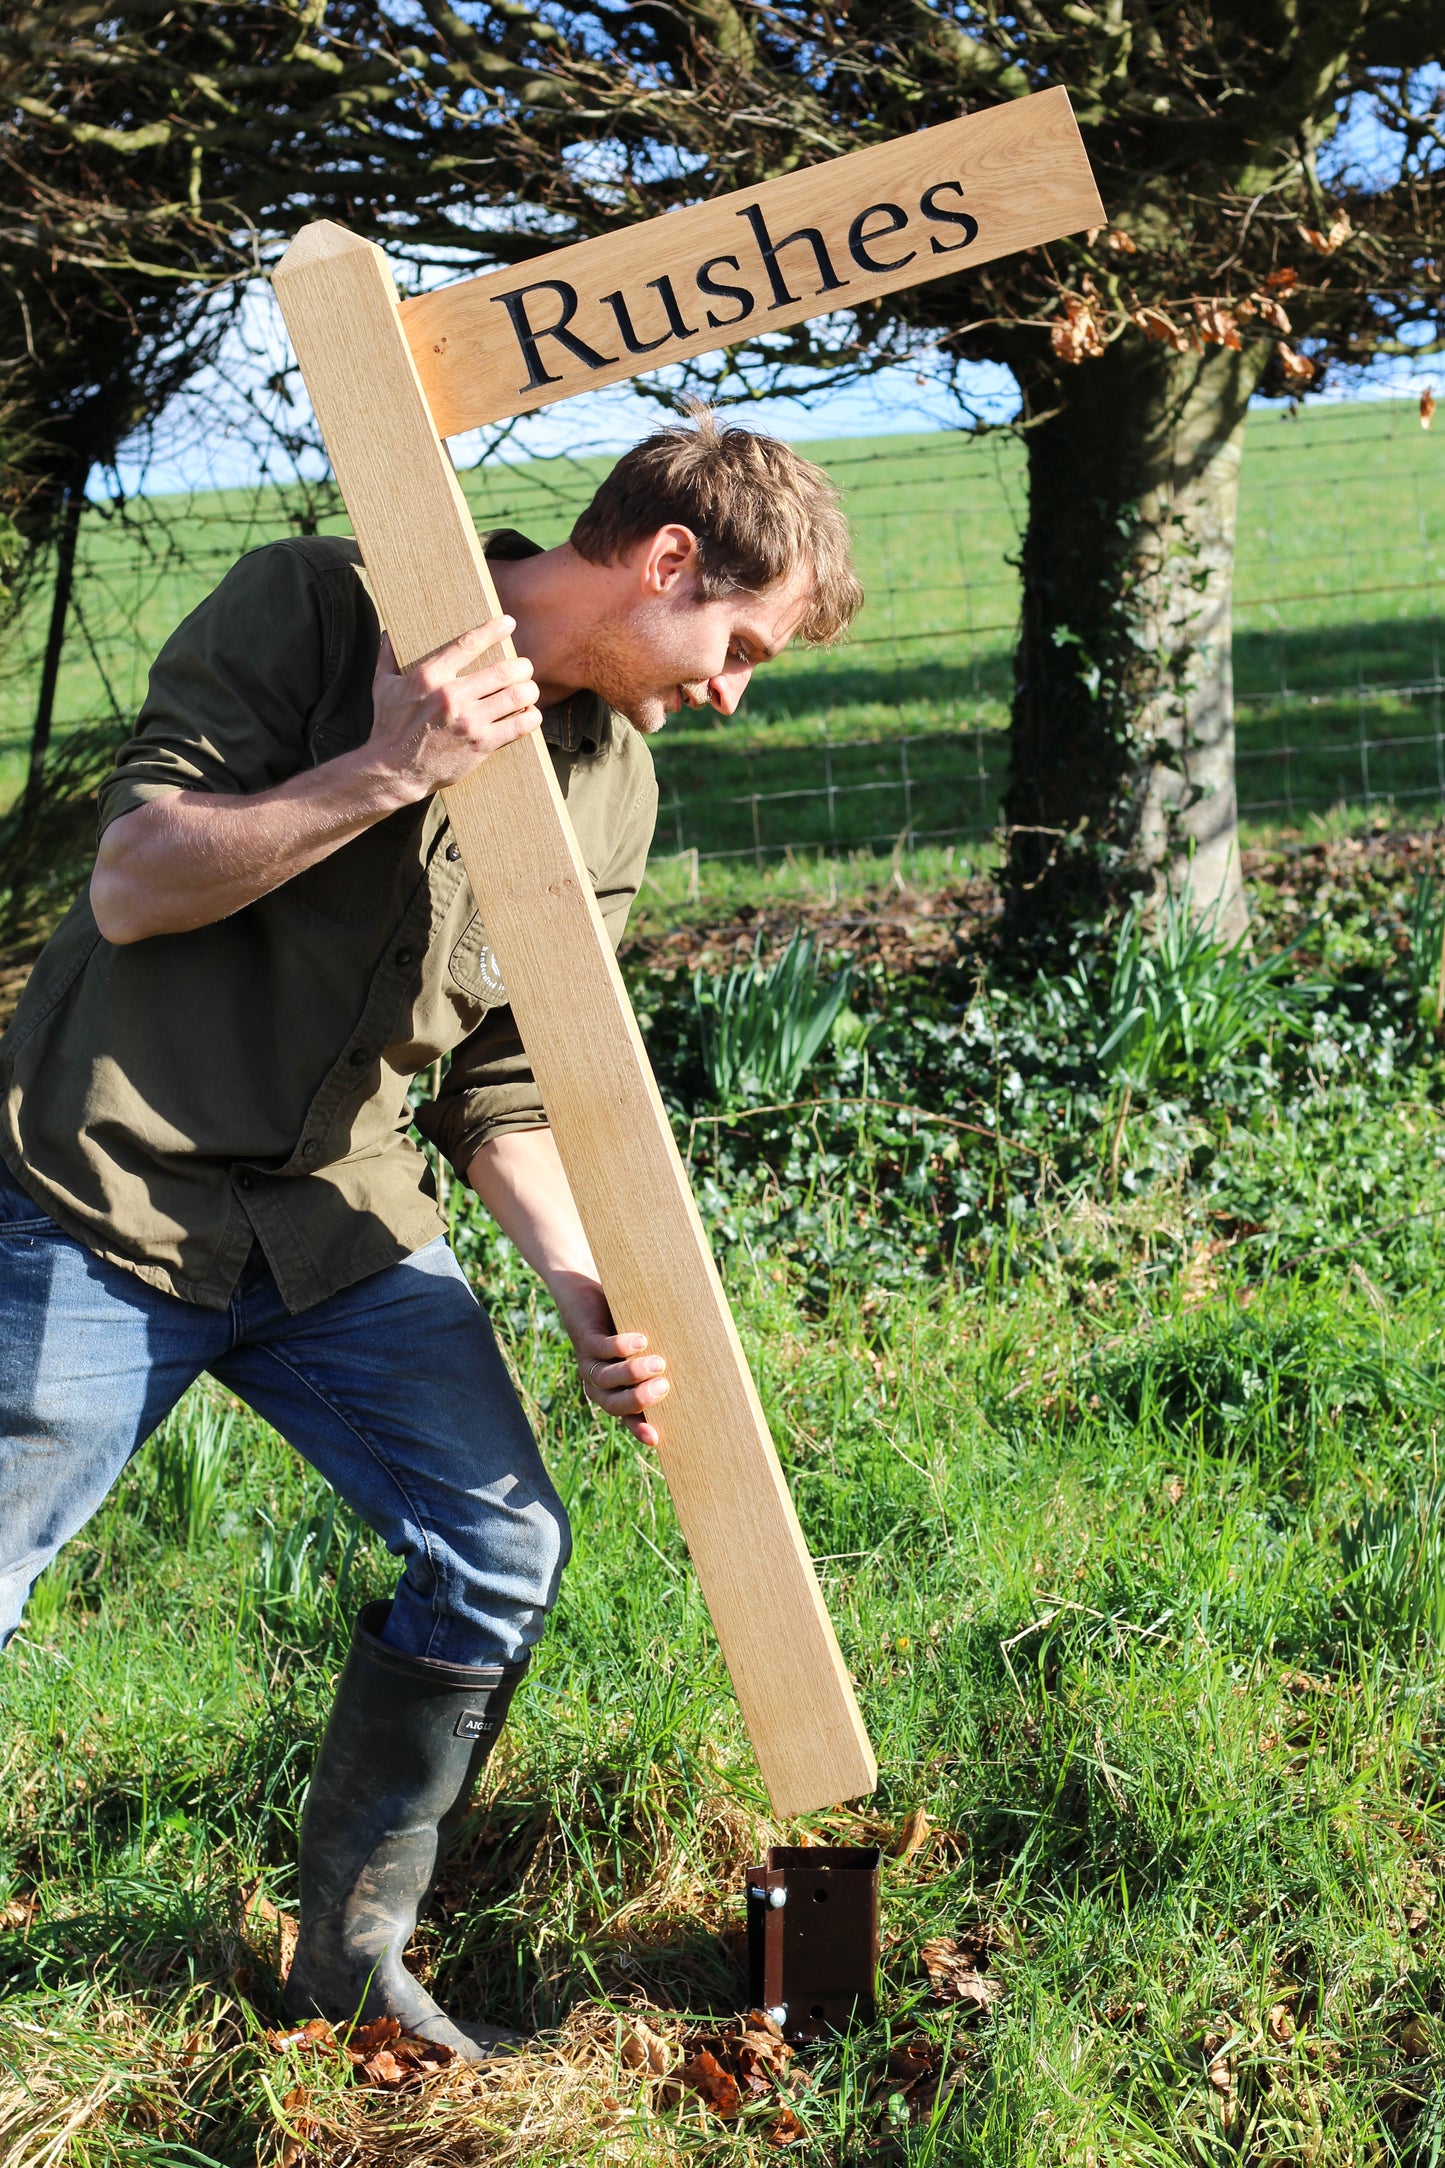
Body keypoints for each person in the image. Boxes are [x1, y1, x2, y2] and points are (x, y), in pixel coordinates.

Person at [0, 407, 862, 2059]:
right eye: (738, 645)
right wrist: (388, 767)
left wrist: (577, 1280)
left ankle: (352, 1964)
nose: (732, 690)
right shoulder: (318, 612)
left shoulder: (609, 782)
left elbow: (502, 1084)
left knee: (501, 1550)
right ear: (668, 561)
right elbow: (134, 883)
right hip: (106, 1197)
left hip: (337, 1234)